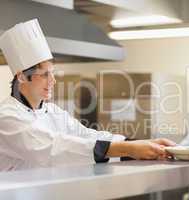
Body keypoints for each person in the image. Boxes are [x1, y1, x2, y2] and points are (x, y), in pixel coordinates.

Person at [0, 19, 175, 171]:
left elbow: (86, 135)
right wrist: (127, 148)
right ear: (22, 76)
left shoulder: (52, 111)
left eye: (53, 73)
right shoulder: (7, 117)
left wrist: (141, 143)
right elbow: (54, 147)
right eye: (45, 74)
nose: (52, 81)